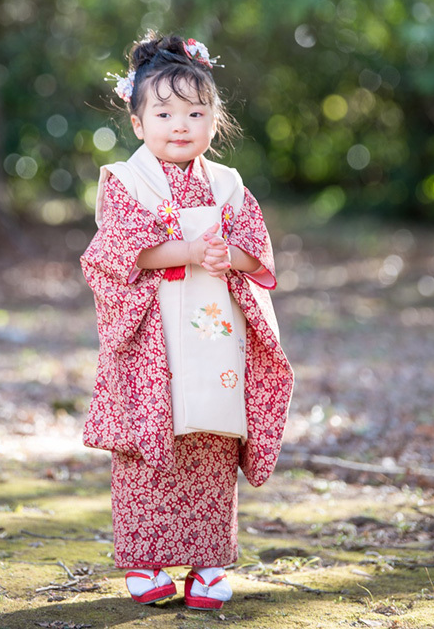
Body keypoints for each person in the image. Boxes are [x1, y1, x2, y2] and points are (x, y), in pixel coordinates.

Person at [80, 32, 293, 610]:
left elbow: (259, 255)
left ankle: (208, 563)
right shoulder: (126, 182)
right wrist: (193, 252)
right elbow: (118, 254)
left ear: (214, 118)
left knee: (211, 437)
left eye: (196, 112)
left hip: (214, 335)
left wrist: (235, 257)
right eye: (165, 111)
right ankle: (145, 558)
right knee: (151, 441)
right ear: (137, 120)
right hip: (153, 339)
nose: (181, 124)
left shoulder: (227, 185)